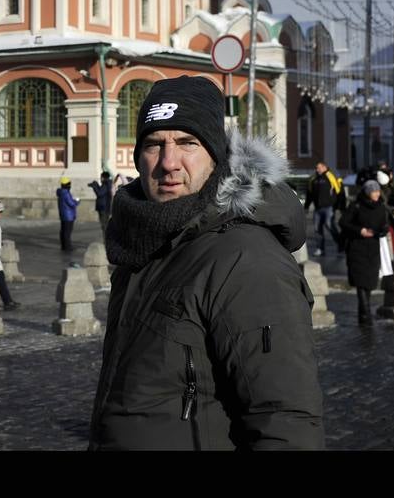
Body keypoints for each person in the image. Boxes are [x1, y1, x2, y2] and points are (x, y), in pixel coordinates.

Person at [88, 75, 324, 451]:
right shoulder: (142, 243)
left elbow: (285, 420)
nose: (168, 163)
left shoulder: (246, 257)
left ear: (216, 155)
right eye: (153, 145)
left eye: (187, 143)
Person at [339, 179, 390, 326]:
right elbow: (343, 222)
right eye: (374, 191)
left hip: (373, 248)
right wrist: (359, 230)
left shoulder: (381, 206)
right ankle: (367, 317)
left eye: (378, 191)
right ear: (368, 193)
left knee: (369, 283)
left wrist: (383, 230)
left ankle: (363, 316)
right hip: (357, 248)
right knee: (361, 282)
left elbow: (383, 224)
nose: (377, 194)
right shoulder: (356, 205)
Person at [305, 161, 343, 256]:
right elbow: (309, 194)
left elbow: (339, 192)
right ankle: (320, 249)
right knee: (317, 229)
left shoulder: (330, 176)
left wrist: (339, 206)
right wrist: (306, 206)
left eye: (319, 167)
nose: (317, 169)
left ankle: (341, 245)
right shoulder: (313, 179)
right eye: (316, 168)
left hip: (329, 207)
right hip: (317, 209)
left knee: (330, 226)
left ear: (325, 167)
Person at [57, 176, 80, 252]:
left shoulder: (60, 193)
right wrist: (77, 201)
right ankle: (68, 247)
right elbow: (71, 204)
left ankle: (64, 245)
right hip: (68, 216)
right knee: (67, 232)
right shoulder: (66, 193)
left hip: (63, 215)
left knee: (63, 231)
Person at [88, 171, 113, 238]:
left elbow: (100, 193)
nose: (100, 179)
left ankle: (106, 242)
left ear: (103, 177)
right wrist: (96, 185)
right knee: (105, 225)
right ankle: (107, 241)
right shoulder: (107, 184)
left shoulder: (106, 184)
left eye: (101, 177)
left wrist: (94, 186)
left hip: (103, 208)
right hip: (105, 207)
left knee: (104, 226)